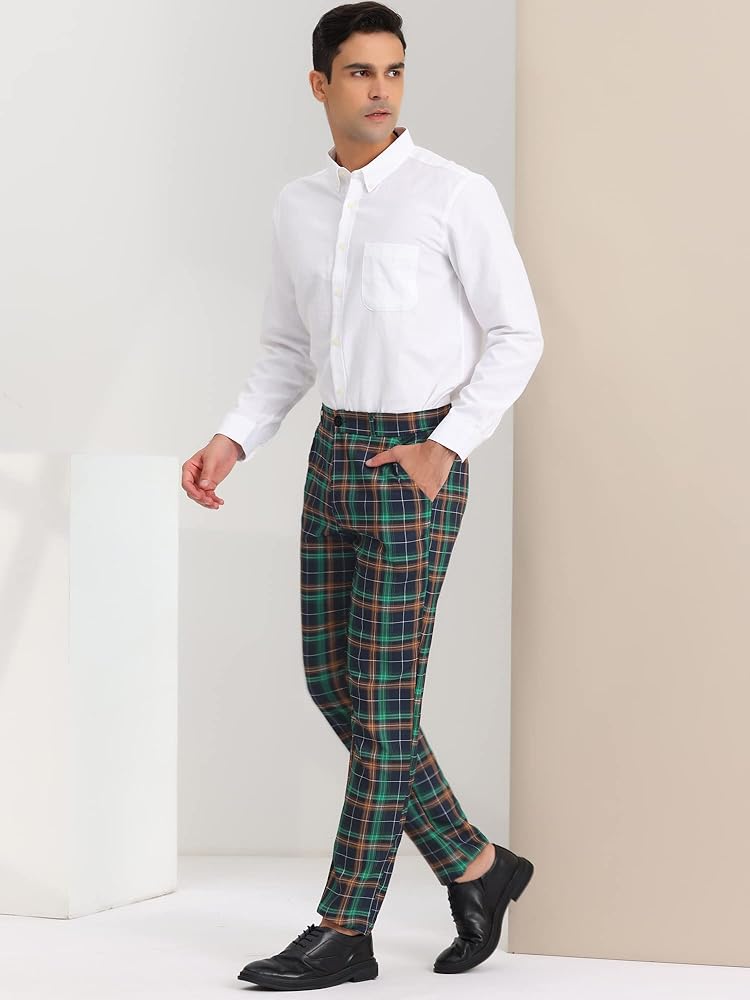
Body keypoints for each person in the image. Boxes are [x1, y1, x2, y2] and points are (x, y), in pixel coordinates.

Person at [181, 2, 540, 990]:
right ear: (320, 84)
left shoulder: (453, 194)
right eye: (359, 72)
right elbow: (286, 349)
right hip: (332, 453)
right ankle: (477, 863)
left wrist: (445, 446)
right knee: (333, 686)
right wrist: (232, 438)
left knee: (382, 710)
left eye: (394, 71)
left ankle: (346, 928)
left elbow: (519, 333)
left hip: (414, 462)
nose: (380, 90)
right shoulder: (297, 207)